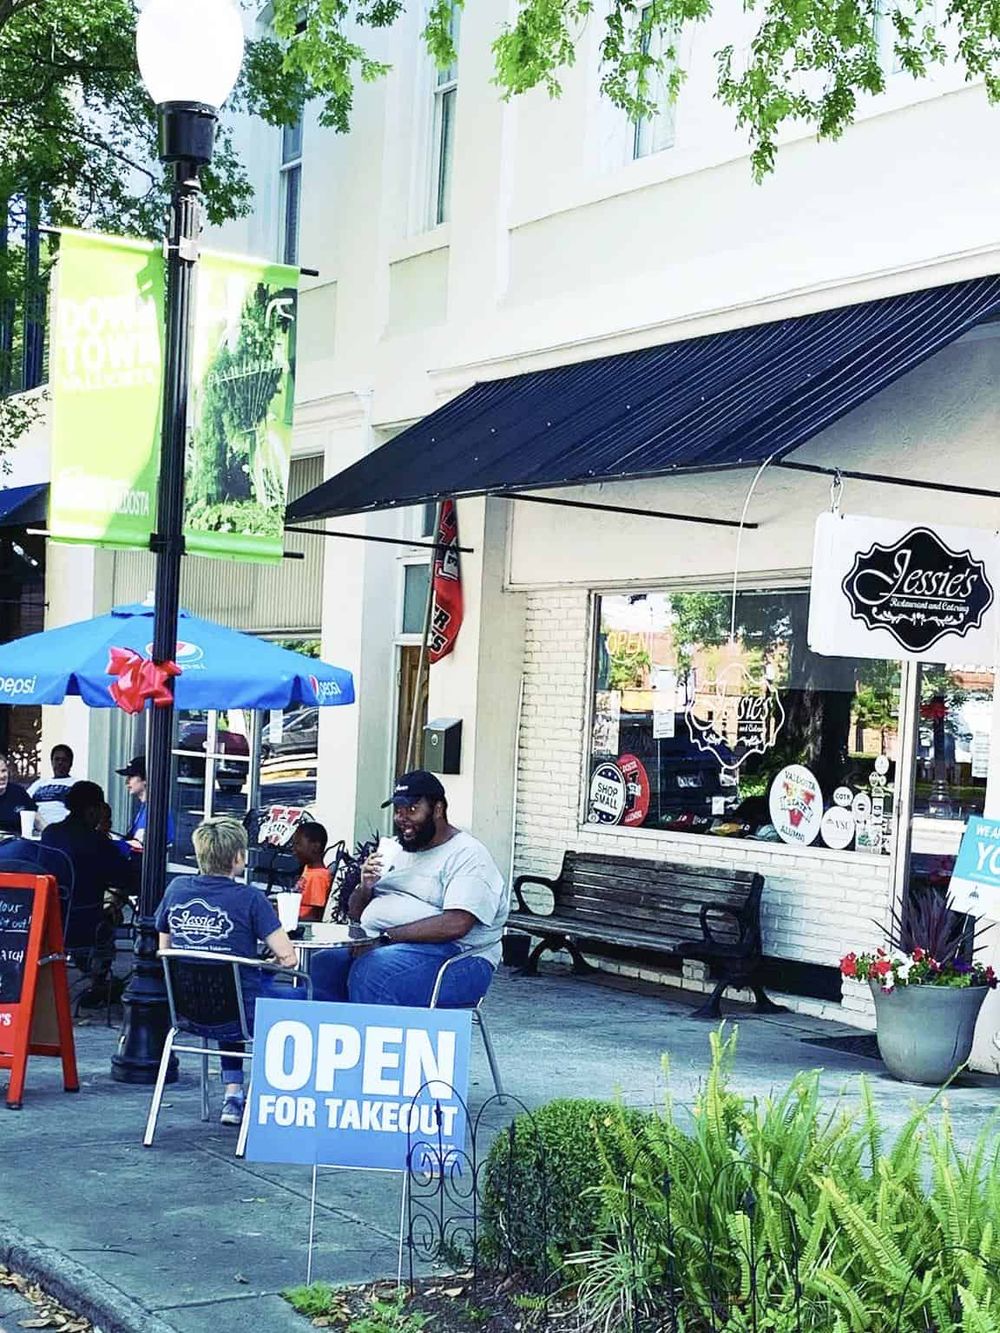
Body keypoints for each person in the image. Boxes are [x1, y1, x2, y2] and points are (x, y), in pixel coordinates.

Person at [310, 771, 509, 1009]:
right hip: (385, 945)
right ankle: (336, 1039)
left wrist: (385, 938)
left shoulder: (467, 855)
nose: (401, 818)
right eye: (398, 810)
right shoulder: (394, 848)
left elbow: (457, 923)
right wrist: (365, 886)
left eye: (412, 810)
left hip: (458, 957)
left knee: (375, 971)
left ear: (437, 809)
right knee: (322, 965)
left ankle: (374, 1041)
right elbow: (355, 912)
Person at [155, 817, 305, 1127]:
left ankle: (233, 1095)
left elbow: (166, 949)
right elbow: (290, 959)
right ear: (238, 857)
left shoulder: (176, 889)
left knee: (227, 989)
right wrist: (265, 964)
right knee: (304, 995)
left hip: (188, 1010)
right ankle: (289, 1096)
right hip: (239, 1012)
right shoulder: (251, 898)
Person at [41, 781, 139, 962]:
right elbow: (127, 879)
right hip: (83, 925)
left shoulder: (49, 833)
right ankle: (100, 983)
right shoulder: (96, 842)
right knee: (109, 917)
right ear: (92, 810)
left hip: (48, 921)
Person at [117, 755, 174, 847]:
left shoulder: (156, 810)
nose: (126, 782)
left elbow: (141, 845)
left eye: (131, 777)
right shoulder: (146, 807)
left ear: (145, 779)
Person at [27, 745, 75, 827]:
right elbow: (24, 802)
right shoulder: (39, 784)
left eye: (64, 760)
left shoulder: (77, 784)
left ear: (70, 763)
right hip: (37, 828)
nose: (60, 763)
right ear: (52, 762)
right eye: (57, 759)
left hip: (63, 829)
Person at [293, 821, 332, 921]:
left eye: (298, 844)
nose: (294, 849)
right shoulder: (308, 868)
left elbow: (314, 915)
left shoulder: (318, 876)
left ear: (315, 846)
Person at [0, 752, 36, 834]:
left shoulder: (18, 792)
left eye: (4, 771)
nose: (2, 776)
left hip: (19, 842)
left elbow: (35, 817)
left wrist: (51, 835)